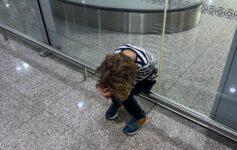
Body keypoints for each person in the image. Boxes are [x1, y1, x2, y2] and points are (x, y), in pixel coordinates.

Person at [95, 44, 158, 135]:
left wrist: (115, 91)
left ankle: (140, 117)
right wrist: (104, 86)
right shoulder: (117, 55)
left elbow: (128, 86)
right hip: (130, 76)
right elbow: (111, 74)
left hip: (145, 80)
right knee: (113, 85)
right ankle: (117, 103)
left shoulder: (144, 65)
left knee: (124, 96)